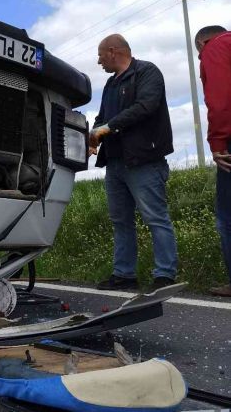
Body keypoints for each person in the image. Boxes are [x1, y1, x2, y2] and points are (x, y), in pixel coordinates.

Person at [88, 34, 178, 291]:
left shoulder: (147, 72)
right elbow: (102, 118)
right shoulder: (109, 84)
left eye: (100, 55)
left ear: (113, 51)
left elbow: (145, 107)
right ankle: (125, 274)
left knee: (155, 218)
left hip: (145, 161)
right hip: (115, 163)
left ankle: (164, 275)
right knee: (120, 221)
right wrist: (94, 137)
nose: (98, 61)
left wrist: (104, 130)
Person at [195, 25, 231, 297]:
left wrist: (217, 144)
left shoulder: (216, 46)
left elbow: (219, 100)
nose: (199, 59)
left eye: (198, 52)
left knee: (227, 216)